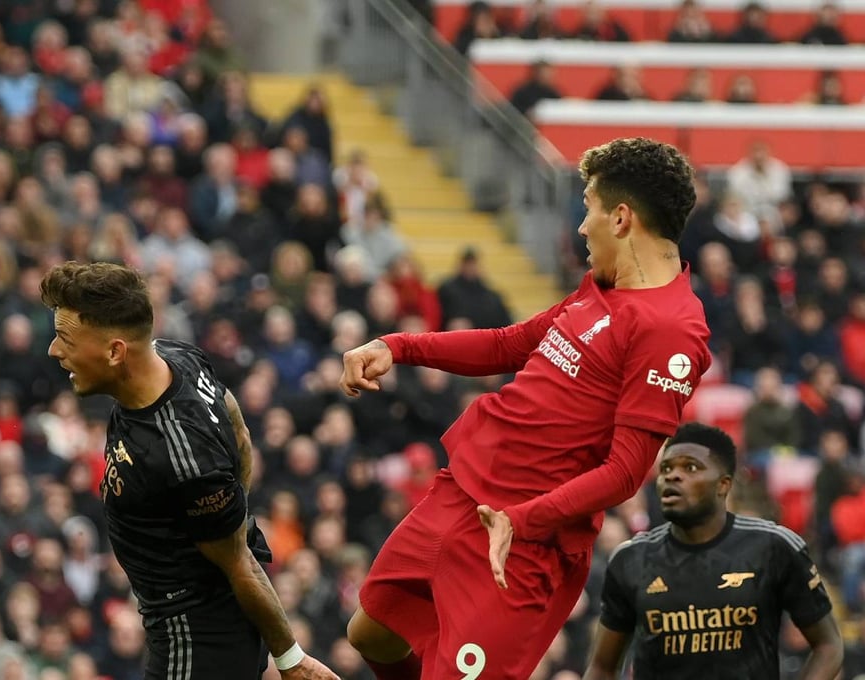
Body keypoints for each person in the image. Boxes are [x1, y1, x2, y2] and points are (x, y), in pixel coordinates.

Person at [339, 137, 713, 680]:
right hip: (462, 491)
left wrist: (521, 520)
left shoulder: (671, 330)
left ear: (621, 219)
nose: (581, 227)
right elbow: (508, 344)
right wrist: (397, 347)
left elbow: (625, 473)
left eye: (589, 209)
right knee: (371, 632)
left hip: (522, 542)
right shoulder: (602, 287)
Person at [39, 262, 339, 680]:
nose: (54, 350)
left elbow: (239, 561)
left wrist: (291, 661)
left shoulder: (182, 455)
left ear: (115, 352)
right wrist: (227, 509)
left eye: (66, 338)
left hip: (195, 638)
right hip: (190, 622)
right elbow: (236, 423)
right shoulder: (175, 356)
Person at [584, 422, 843, 679]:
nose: (672, 476)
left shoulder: (774, 547)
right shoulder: (631, 559)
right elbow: (601, 667)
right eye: (666, 468)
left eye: (690, 467)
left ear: (723, 485)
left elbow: (829, 645)